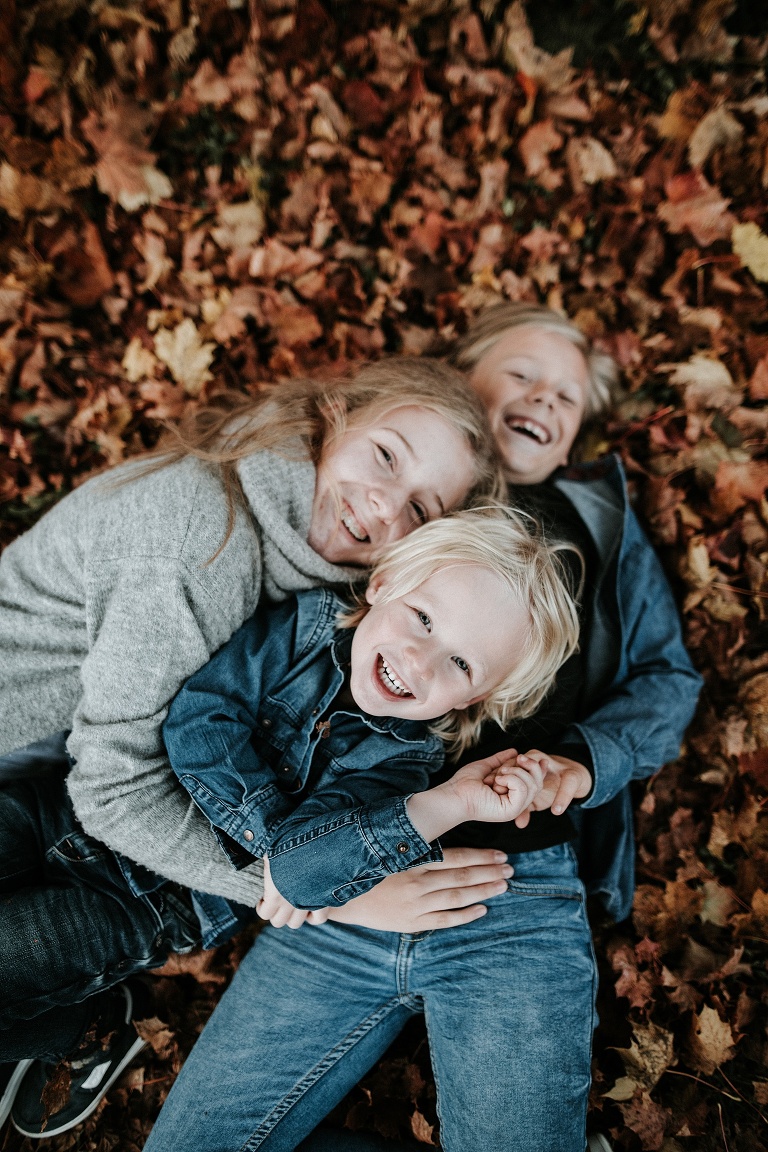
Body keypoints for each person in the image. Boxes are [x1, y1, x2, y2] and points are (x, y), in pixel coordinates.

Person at [142, 304, 702, 1152]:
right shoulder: (395, 499)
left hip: (510, 887)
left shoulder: (599, 525)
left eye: (567, 401)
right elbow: (255, 655)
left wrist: (582, 766)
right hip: (344, 872)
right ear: (460, 376)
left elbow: (668, 679)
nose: (545, 401)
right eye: (523, 375)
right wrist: (306, 868)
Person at [0, 357, 502, 1136]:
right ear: (335, 415)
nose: (381, 503)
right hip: (40, 766)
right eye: (385, 455)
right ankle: (74, 1027)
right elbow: (115, 785)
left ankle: (79, 1025)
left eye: (419, 508)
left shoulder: (307, 559)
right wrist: (324, 893)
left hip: (81, 796)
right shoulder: (203, 543)